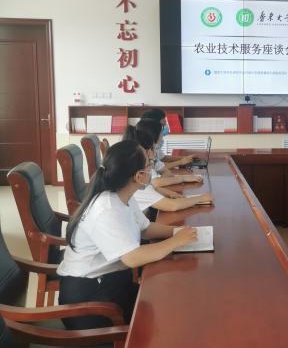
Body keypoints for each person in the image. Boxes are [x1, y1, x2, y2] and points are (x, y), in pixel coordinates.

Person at [57, 140, 198, 329]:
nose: (152, 167)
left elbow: (145, 228)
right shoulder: (106, 209)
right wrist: (175, 242)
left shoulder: (123, 196)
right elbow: (132, 258)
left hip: (111, 283)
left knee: (168, 298)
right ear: (139, 176)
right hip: (88, 302)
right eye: (149, 164)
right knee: (167, 315)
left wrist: (178, 232)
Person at [129, 122, 213, 212]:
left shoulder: (139, 174)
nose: (152, 165)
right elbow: (172, 205)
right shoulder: (138, 181)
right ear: (149, 152)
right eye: (150, 163)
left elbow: (153, 186)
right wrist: (200, 198)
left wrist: (170, 193)